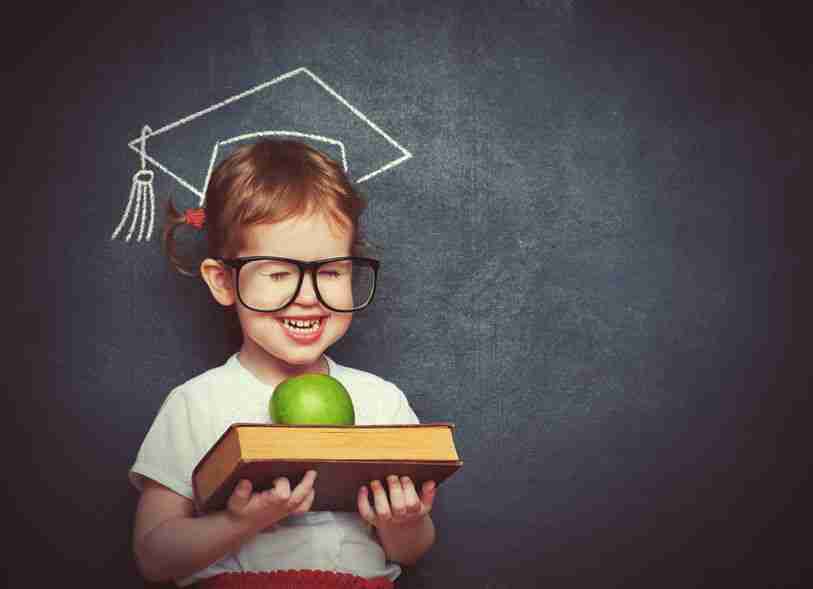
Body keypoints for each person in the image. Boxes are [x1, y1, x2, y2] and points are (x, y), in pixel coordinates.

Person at [129, 139, 437, 588]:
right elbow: (154, 558)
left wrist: (403, 521)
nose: (308, 297)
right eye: (278, 273)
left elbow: (409, 552)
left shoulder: (382, 402)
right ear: (223, 282)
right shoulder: (195, 404)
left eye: (331, 271)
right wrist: (243, 523)